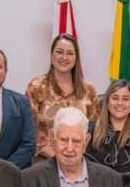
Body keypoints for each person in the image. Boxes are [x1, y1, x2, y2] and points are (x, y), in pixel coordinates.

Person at [24, 34, 100, 162]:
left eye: (70, 53)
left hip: (78, 160)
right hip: (44, 160)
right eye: (59, 52)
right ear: (52, 56)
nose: (64, 57)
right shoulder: (36, 87)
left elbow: (93, 131)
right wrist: (56, 156)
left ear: (76, 58)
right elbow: (28, 130)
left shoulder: (89, 90)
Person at [86, 79, 130, 187]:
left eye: (125, 99)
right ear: (107, 102)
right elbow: (86, 164)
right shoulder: (91, 128)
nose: (120, 103)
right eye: (115, 98)